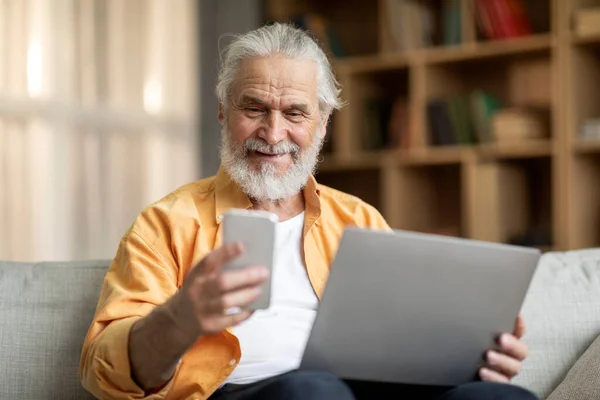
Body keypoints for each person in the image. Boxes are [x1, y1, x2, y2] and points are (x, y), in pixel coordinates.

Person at [79, 22, 539, 400]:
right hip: (248, 394)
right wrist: (182, 316)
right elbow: (104, 372)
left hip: (367, 392)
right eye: (254, 107)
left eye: (295, 113)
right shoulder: (166, 223)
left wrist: (472, 356)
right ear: (223, 110)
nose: (273, 133)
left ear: (322, 123)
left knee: (501, 398)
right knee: (313, 391)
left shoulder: (358, 219)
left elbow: (401, 343)